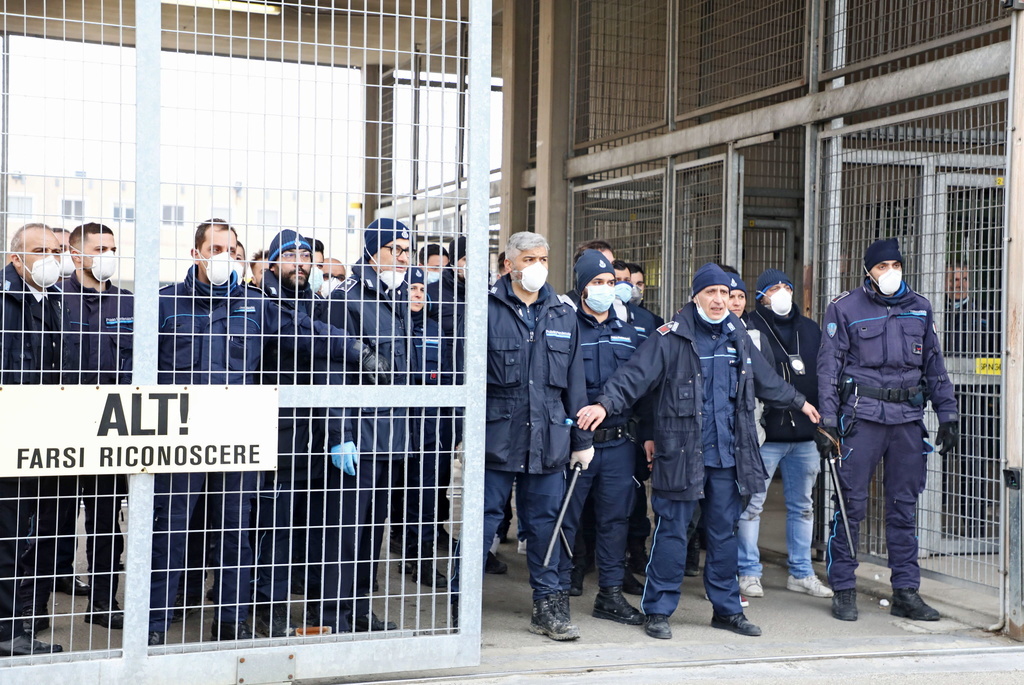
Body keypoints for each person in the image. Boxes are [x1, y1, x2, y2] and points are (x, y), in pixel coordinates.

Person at [149, 219, 381, 645]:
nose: (223, 256)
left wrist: (358, 350)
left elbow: (308, 332)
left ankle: (230, 623)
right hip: (179, 439)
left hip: (237, 437)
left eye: (230, 249)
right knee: (171, 535)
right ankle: (154, 626)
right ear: (196, 252)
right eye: (214, 248)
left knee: (236, 534)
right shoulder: (166, 304)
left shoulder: (254, 305)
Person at [577, 263, 819, 640]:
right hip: (682, 453)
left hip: (726, 455)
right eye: (712, 293)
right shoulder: (670, 337)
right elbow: (632, 379)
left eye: (725, 293)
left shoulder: (737, 333)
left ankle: (726, 610)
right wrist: (604, 405)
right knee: (672, 531)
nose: (720, 300)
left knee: (723, 533)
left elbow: (765, 379)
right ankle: (658, 610)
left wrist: (799, 402)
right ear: (696, 297)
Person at [451, 231, 593, 641]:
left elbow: (575, 383)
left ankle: (548, 607)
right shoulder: (483, 309)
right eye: (529, 259)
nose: (537, 267)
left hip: (548, 438)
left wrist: (582, 442)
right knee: (481, 522)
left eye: (543, 259)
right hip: (495, 437)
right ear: (509, 264)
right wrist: (464, 435)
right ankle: (462, 606)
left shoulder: (562, 313)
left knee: (547, 525)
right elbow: (465, 378)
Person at [817, 238, 959, 622]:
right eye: (882, 267)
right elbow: (829, 368)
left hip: (907, 422)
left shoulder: (920, 308)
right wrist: (827, 422)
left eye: (895, 265)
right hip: (862, 418)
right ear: (869, 271)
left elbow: (934, 363)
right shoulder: (844, 308)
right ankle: (844, 588)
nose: (890, 272)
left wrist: (948, 413)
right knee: (851, 505)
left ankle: (906, 591)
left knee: (904, 507)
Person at [323, 218, 413, 633]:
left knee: (370, 537)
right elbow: (332, 373)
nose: (403, 257)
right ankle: (331, 616)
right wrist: (340, 435)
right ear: (374, 251)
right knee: (343, 535)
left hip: (390, 437)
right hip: (358, 435)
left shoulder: (399, 299)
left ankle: (359, 612)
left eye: (407, 249)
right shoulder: (349, 299)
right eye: (395, 248)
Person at [251, 229, 343, 638]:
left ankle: (305, 609)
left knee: (309, 533)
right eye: (290, 255)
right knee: (276, 533)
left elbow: (328, 369)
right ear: (272, 262)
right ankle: (269, 609)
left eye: (306, 255)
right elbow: (293, 335)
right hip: (275, 438)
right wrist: (347, 344)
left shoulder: (317, 304)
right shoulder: (260, 302)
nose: (301, 263)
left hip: (314, 437)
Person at [556, 250, 644, 627]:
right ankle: (556, 593)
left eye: (610, 283)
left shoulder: (628, 332)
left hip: (619, 443)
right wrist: (576, 438)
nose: (605, 289)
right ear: (581, 288)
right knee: (564, 519)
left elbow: (642, 386)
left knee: (615, 520)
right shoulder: (565, 327)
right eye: (596, 283)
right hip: (575, 443)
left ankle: (609, 594)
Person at [55, 222, 134, 630]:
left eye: (113, 247)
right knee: (54, 519)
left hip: (109, 430)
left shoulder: (128, 305)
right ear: (74, 253)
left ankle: (104, 603)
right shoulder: (54, 301)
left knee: (106, 523)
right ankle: (35, 609)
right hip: (61, 428)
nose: (108, 254)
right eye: (100, 247)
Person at [738, 268, 832, 601]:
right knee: (751, 506)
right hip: (766, 436)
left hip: (805, 436)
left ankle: (801, 573)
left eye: (786, 287)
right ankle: (748, 572)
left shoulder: (810, 329)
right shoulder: (749, 327)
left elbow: (824, 373)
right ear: (761, 296)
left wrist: (826, 421)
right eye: (773, 288)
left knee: (802, 507)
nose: (781, 293)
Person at [0, 223, 64, 655]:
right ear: (15, 259)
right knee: (6, 542)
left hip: (33, 438)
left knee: (19, 538)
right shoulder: (6, 306)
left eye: (57, 250)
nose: (51, 258)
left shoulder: (50, 301)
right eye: (40, 250)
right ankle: (7, 636)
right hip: (9, 436)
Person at [391, 266, 449, 588]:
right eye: (411, 288)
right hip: (393, 425)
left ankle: (421, 560)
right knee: (387, 496)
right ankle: (368, 567)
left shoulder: (434, 331)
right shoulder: (389, 326)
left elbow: (447, 377)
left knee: (424, 497)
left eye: (422, 290)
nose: (417, 294)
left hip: (426, 427)